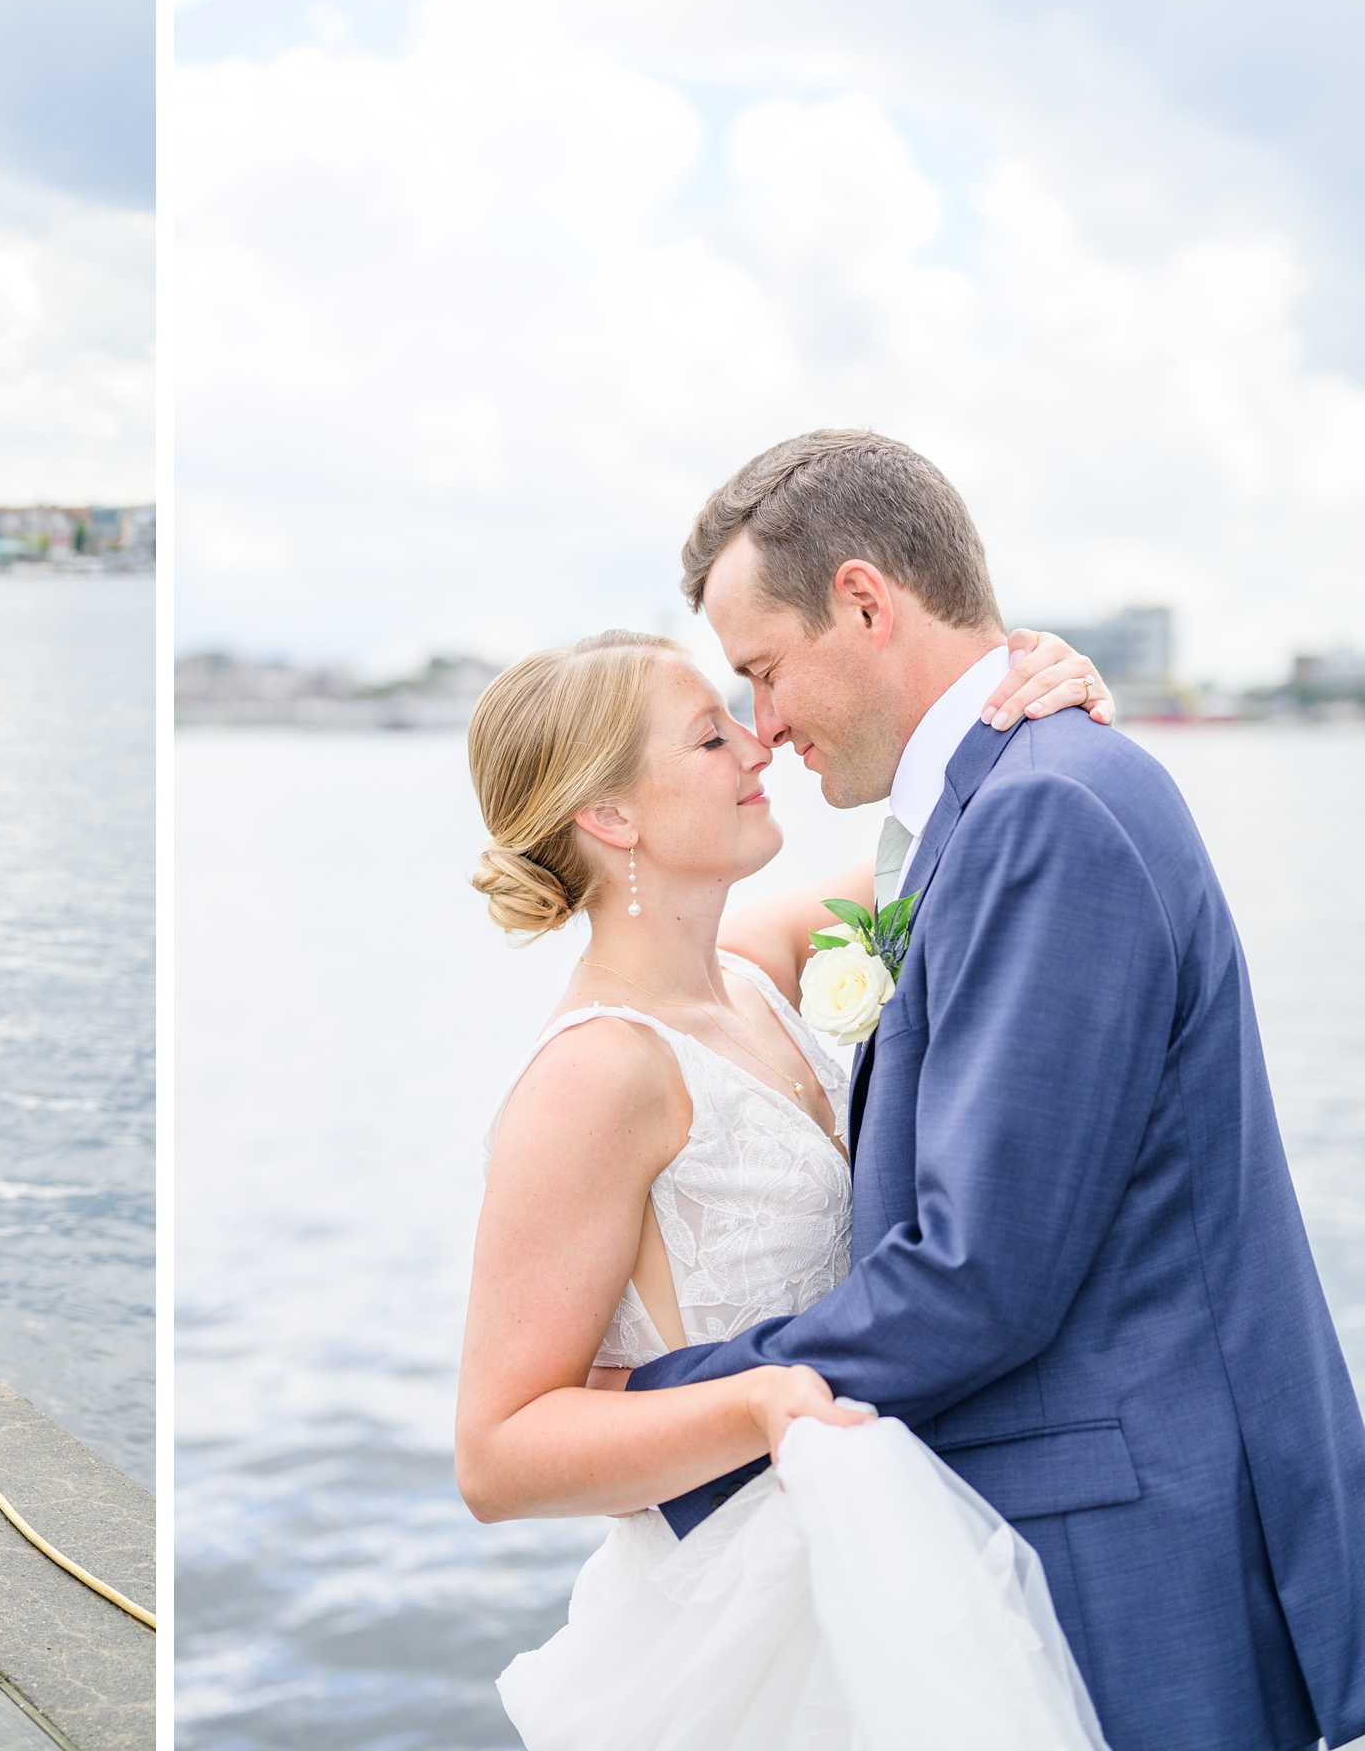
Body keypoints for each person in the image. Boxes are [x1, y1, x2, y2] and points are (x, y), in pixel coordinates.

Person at [463, 432, 1365, 1751]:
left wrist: (1030, 670)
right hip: (879, 1555)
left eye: (757, 680)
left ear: (868, 604)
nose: (762, 733)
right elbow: (499, 1441)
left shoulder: (1020, 818)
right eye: (719, 721)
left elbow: (979, 1268)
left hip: (1084, 1532)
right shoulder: (630, 1047)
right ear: (610, 817)